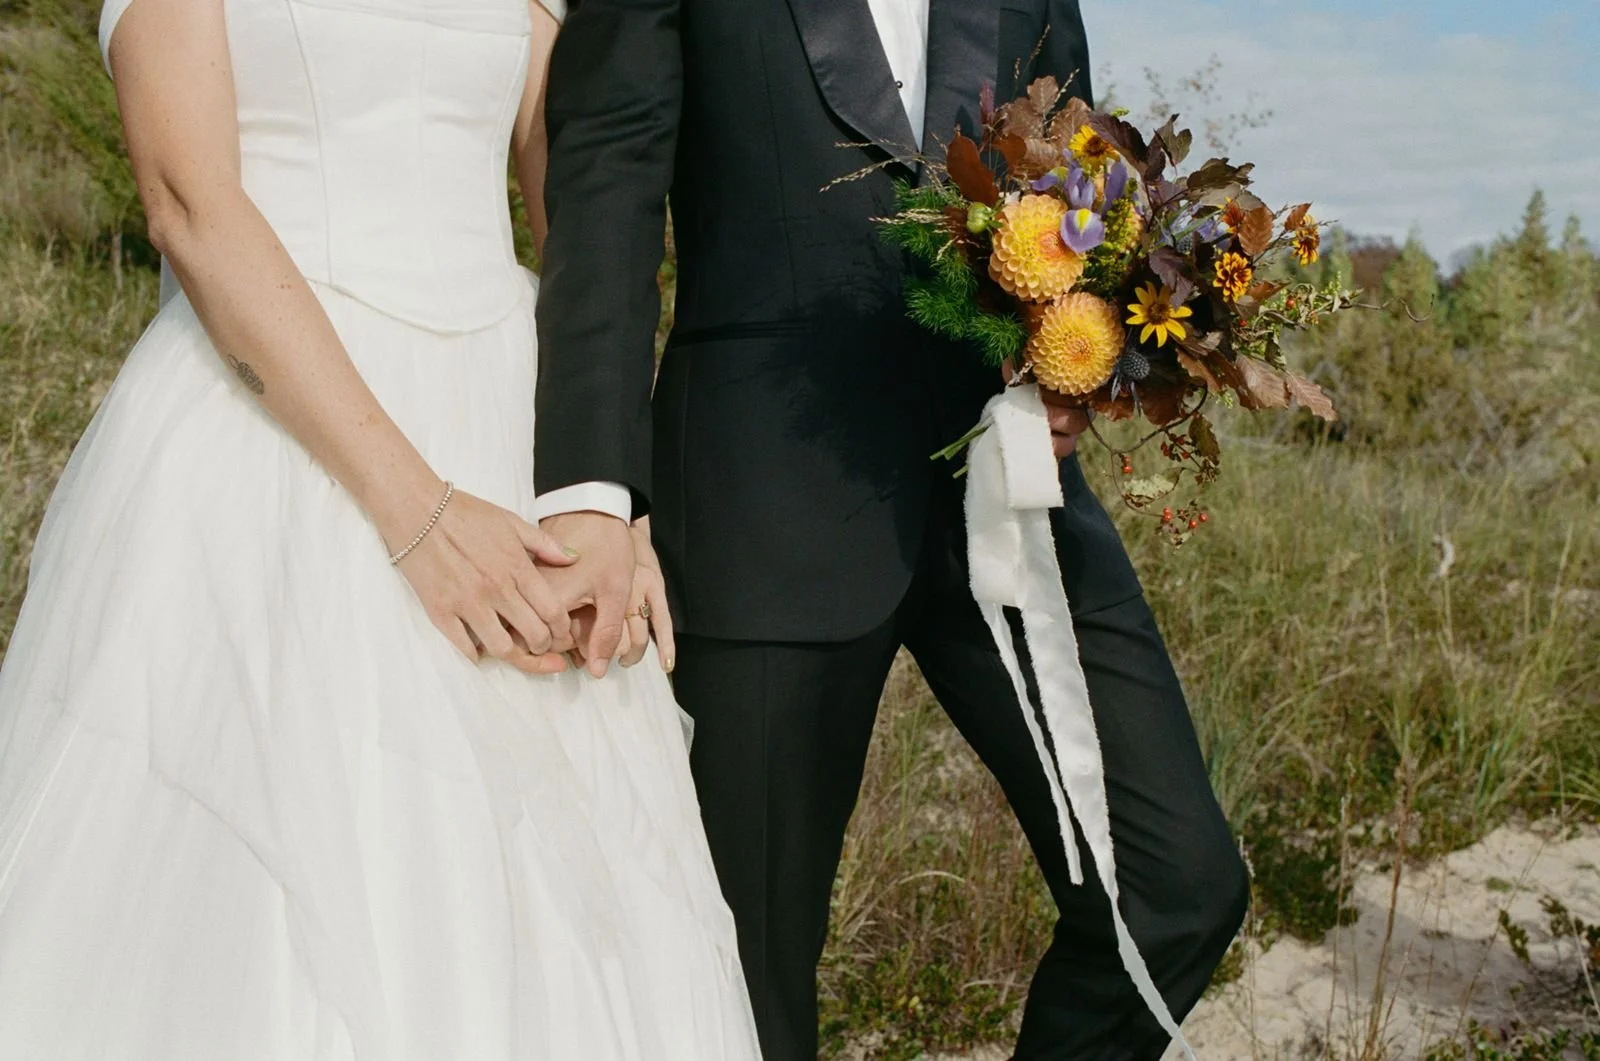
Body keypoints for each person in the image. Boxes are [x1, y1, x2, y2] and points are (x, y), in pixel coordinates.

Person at [0, 0, 761, 1057]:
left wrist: (600, 495)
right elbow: (190, 206)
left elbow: (580, 206)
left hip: (506, 413)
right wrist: (419, 511)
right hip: (272, 433)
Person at [533, 1, 1252, 1058]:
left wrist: (1081, 360)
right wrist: (595, 494)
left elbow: (1078, 192)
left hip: (1000, 483)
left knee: (1178, 880)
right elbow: (603, 193)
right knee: (745, 972)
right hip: (759, 493)